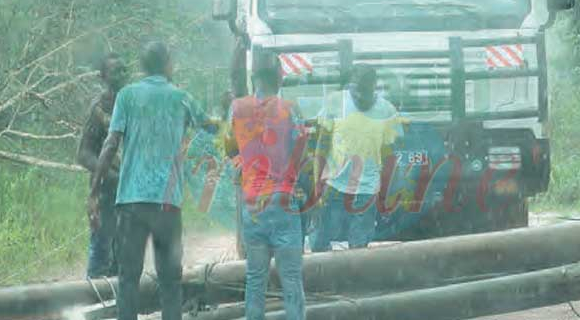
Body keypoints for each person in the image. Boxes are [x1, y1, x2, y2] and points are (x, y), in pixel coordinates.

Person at [90, 41, 216, 320]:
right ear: (167, 64)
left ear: (142, 66)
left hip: (132, 204)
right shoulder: (181, 97)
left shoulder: (127, 96)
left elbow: (110, 144)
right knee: (170, 281)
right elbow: (210, 127)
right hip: (166, 205)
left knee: (128, 279)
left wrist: (94, 191)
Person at [227, 65, 306, 320]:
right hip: (283, 199)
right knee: (291, 278)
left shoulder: (236, 108)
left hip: (252, 204)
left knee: (255, 278)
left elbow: (229, 147)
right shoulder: (290, 109)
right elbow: (302, 147)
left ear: (253, 79)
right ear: (280, 80)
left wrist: (244, 166)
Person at [311, 65, 402, 252]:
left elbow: (389, 157)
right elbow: (322, 145)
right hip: (334, 185)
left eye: (365, 91)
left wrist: (384, 192)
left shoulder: (386, 111)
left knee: (358, 249)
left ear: (374, 87)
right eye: (356, 91)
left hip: (366, 190)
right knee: (320, 244)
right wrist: (317, 183)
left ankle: (351, 280)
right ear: (350, 87)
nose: (360, 96)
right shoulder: (336, 102)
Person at [78, 52, 128, 278]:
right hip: (106, 190)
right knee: (100, 255)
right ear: (103, 76)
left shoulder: (133, 103)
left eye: (124, 70)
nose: (121, 75)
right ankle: (93, 304)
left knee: (125, 256)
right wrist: (109, 174)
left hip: (130, 194)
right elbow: (84, 154)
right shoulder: (99, 109)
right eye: (115, 71)